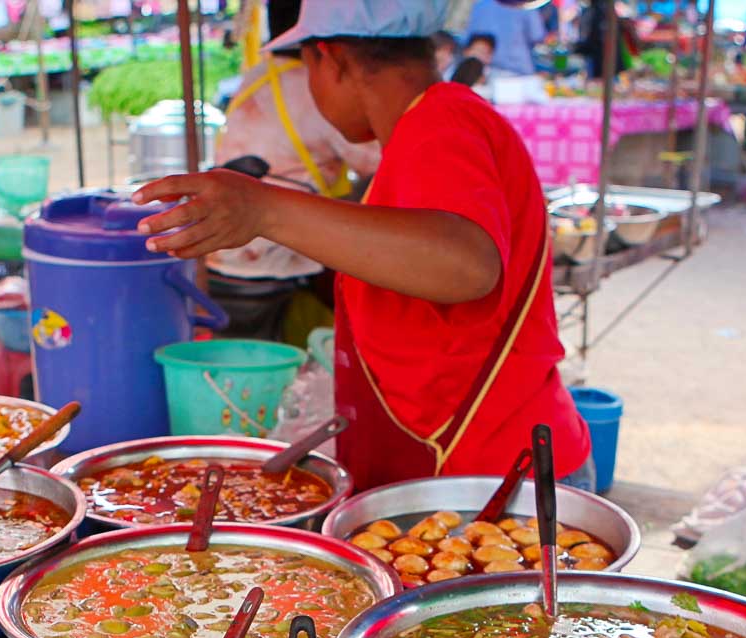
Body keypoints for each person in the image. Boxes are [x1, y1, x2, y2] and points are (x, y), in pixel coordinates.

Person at [134, 0, 592, 493]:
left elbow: (467, 265)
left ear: (330, 60)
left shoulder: (442, 120)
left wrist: (264, 209)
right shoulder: (420, 134)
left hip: (497, 478)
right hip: (469, 470)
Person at [209, 0, 380, 338]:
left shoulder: (255, 76)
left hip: (225, 253)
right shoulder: (315, 86)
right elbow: (378, 163)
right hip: (277, 265)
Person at [465, 0, 546, 76]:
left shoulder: (480, 4)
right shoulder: (526, 6)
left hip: (483, 70)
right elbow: (537, 36)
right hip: (517, 72)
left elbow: (470, 38)